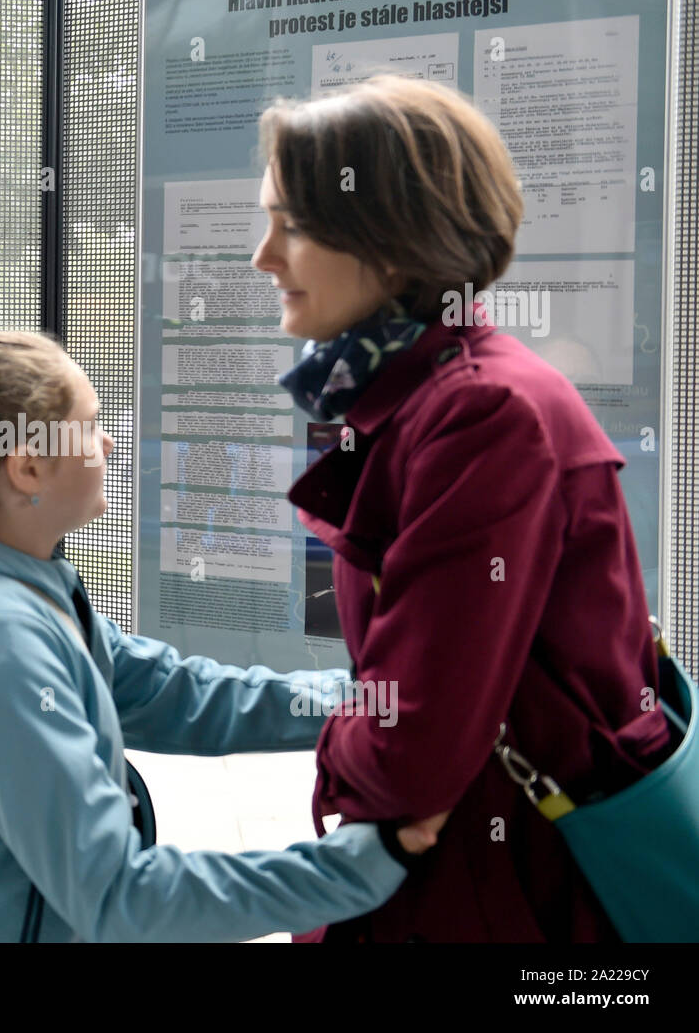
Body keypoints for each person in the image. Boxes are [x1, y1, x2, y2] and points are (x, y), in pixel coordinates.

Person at [0, 330, 446, 943]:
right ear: (28, 467)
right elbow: (121, 898)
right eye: (89, 426)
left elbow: (182, 695)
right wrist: (363, 860)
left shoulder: (28, 595)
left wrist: (371, 700)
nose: (108, 443)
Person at [251, 73, 671, 942]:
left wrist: (344, 735)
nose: (264, 257)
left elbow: (411, 751)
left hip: (510, 902)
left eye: (290, 226)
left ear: (393, 240)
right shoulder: (431, 396)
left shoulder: (483, 415)